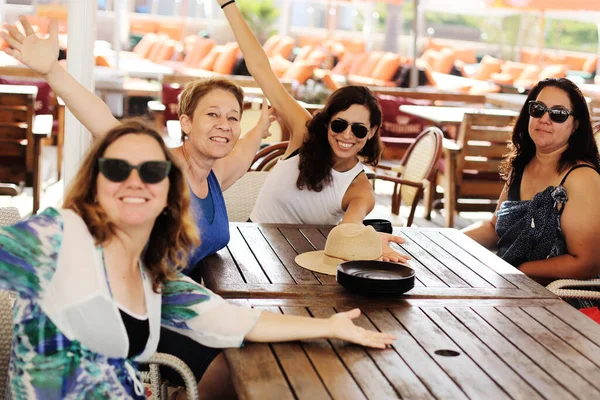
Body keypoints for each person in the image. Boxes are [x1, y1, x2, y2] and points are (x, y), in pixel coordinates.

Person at [0, 120, 396, 400]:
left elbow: (232, 319)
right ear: (95, 183)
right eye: (117, 169)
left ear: (168, 191)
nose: (135, 180)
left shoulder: (151, 272)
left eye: (153, 170)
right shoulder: (62, 237)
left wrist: (329, 326)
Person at [1, 16, 275, 278]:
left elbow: (245, 149)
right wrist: (52, 71)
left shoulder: (216, 173)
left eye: (233, 118)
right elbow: (104, 123)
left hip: (183, 304)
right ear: (186, 123)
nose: (224, 125)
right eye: (212, 114)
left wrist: (262, 125)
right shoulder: (161, 168)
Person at [216, 0, 410, 264]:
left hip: (306, 259)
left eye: (359, 129)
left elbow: (347, 231)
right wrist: (228, 4)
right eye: (339, 124)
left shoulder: (359, 188)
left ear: (372, 132)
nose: (347, 136)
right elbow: (260, 68)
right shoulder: (304, 134)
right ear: (328, 121)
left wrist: (370, 243)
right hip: (252, 245)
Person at [462, 78, 600, 307]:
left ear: (575, 125)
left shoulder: (582, 177)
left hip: (562, 301)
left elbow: (587, 263)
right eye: (538, 109)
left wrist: (518, 271)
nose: (545, 119)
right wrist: (450, 241)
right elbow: (493, 227)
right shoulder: (522, 165)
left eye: (558, 114)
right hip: (508, 288)